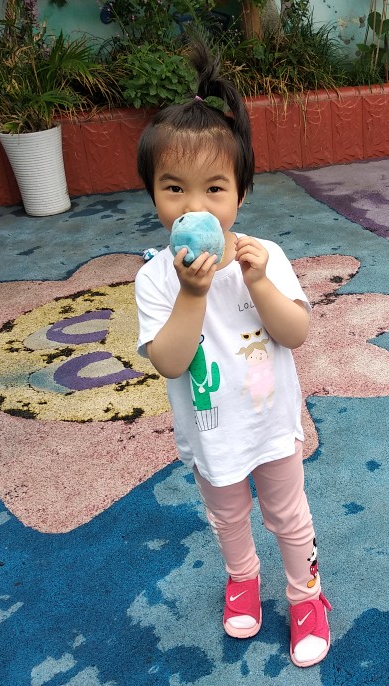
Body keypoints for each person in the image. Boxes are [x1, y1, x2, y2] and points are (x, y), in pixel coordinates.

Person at [134, 43, 331, 668]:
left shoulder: (263, 257)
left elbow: (295, 333)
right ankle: (242, 578)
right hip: (209, 430)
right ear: (153, 195)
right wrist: (192, 294)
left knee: (288, 515)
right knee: (227, 516)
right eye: (174, 189)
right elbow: (169, 360)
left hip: (270, 424)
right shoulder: (157, 278)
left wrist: (261, 283)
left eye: (214, 189)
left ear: (240, 194)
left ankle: (307, 596)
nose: (195, 207)